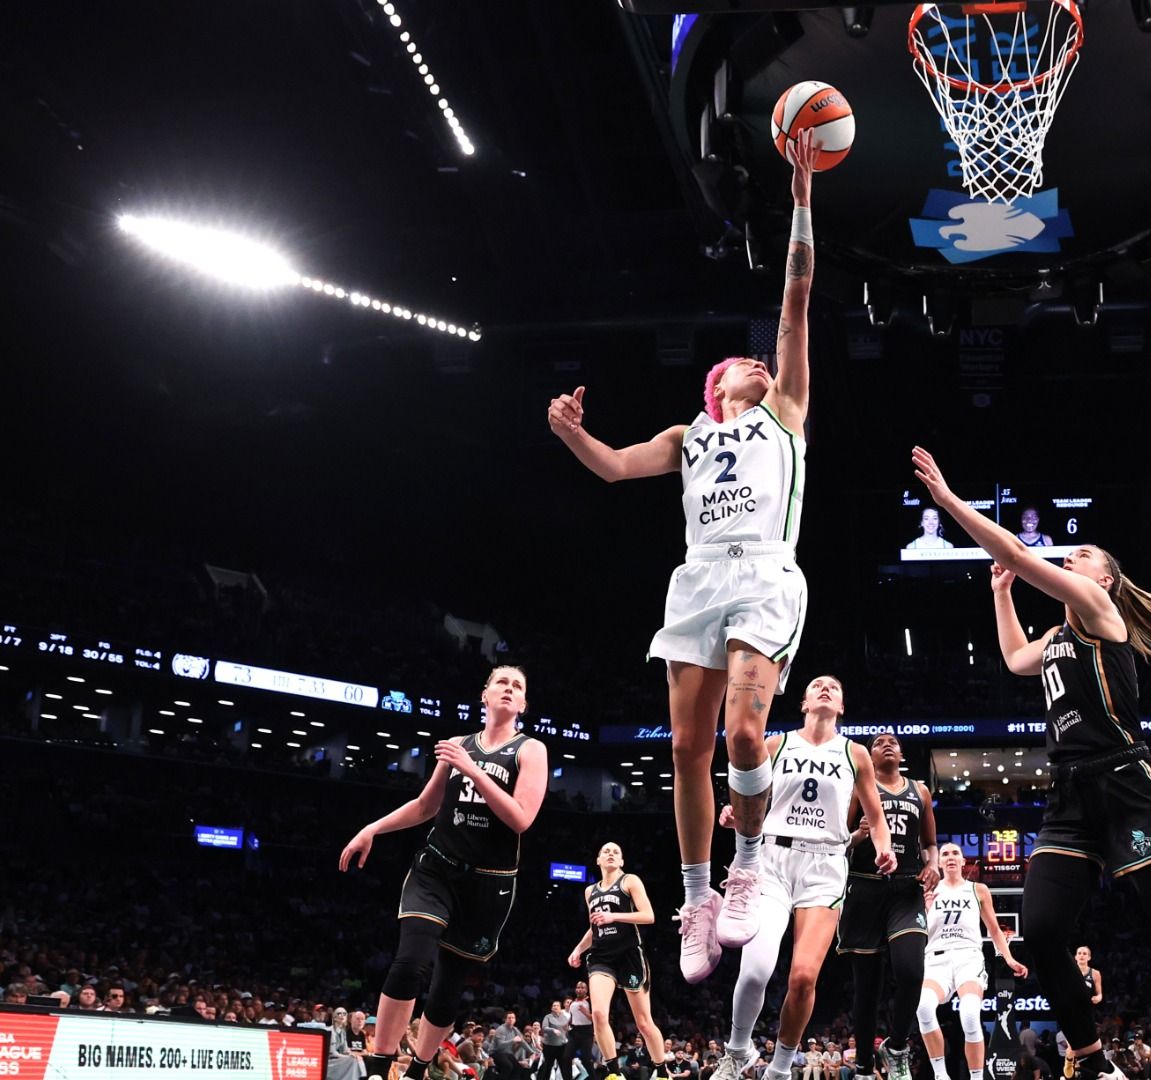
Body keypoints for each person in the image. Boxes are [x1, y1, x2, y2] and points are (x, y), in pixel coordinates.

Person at [546, 130, 825, 981]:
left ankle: (745, 873)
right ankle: (699, 899)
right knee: (685, 749)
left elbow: (795, 301)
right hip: (697, 579)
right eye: (742, 363)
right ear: (719, 384)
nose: (755, 361)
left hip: (763, 572)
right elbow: (615, 468)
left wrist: (803, 199)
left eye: (759, 361)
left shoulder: (783, 411)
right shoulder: (688, 434)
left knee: (747, 732)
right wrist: (572, 434)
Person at [908, 446, 1151, 1080]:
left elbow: (1016, 550)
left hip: (1127, 784)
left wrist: (951, 503)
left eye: (1083, 556)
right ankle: (1092, 1060)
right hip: (1069, 797)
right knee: (1039, 932)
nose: (1072, 558)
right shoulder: (1060, 638)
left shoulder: (1102, 615)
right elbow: (1016, 658)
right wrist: (1001, 594)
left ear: (1104, 581)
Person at [340, 666, 549, 1080]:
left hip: (488, 884)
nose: (509, 689)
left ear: (523, 704)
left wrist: (473, 771)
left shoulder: (530, 750)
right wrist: (372, 828)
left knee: (446, 988)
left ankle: (419, 1068)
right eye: (501, 683)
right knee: (410, 960)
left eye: (518, 686)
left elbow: (521, 819)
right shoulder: (457, 744)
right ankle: (380, 1069)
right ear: (484, 695)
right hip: (437, 869)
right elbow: (425, 806)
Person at [710, 675, 897, 1080]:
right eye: (817, 686)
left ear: (842, 707)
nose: (827, 688)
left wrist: (884, 847)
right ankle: (737, 1049)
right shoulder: (776, 744)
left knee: (803, 977)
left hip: (826, 865)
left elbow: (877, 819)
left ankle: (779, 1068)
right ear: (803, 703)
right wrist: (733, 813)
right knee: (757, 969)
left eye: (835, 687)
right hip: (772, 859)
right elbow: (749, 795)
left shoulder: (855, 754)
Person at [839, 732, 940, 1080]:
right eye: (880, 741)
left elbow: (930, 844)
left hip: (905, 888)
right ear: (868, 755)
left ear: (901, 753)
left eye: (893, 741)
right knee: (867, 989)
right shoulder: (857, 788)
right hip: (864, 888)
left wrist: (933, 865)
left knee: (912, 972)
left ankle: (896, 1047)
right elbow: (839, 840)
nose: (887, 743)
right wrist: (858, 836)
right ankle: (864, 1065)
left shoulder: (920, 791)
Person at [916, 843, 1030, 1080]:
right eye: (945, 854)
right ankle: (940, 1075)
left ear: (963, 861)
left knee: (969, 1014)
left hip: (968, 957)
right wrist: (925, 910)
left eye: (955, 853)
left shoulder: (978, 890)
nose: (949, 857)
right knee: (924, 1008)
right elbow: (919, 933)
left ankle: (976, 1077)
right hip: (936, 958)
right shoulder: (927, 890)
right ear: (939, 862)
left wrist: (1008, 958)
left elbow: (995, 930)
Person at [567, 843, 671, 1080]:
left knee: (644, 1023)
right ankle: (614, 1073)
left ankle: (661, 1070)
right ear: (598, 860)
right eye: (606, 851)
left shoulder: (629, 881)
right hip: (602, 957)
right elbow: (594, 927)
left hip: (629, 954)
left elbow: (648, 916)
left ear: (622, 861)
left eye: (616, 852)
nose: (611, 854)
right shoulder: (589, 891)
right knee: (600, 1015)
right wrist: (578, 949)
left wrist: (613, 916)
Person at [540, 1003, 573, 1080]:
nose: (555, 1007)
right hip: (550, 1046)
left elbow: (567, 1029)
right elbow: (544, 1028)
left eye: (557, 1005)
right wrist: (553, 1030)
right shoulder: (547, 1017)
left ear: (560, 1008)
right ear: (551, 1008)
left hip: (562, 1046)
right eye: (553, 1006)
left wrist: (568, 1029)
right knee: (547, 1067)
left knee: (565, 1068)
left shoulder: (564, 1017)